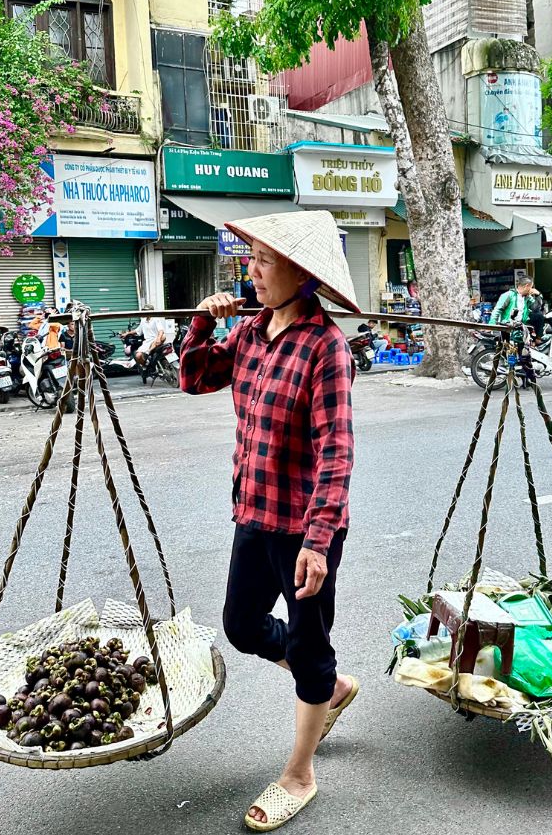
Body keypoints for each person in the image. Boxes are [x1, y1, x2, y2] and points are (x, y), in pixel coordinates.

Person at [180, 210, 360, 833]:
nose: (249, 271)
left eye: (262, 260)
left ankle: (299, 773)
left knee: (310, 646)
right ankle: (330, 686)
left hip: (307, 527)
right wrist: (204, 319)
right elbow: (196, 376)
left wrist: (318, 542)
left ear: (300, 274)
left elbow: (336, 451)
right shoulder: (252, 333)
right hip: (253, 512)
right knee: (240, 623)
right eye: (249, 257)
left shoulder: (325, 348)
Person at [490, 275, 545, 341]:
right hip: (508, 323)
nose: (531, 289)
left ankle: (537, 339)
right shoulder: (508, 295)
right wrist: (492, 325)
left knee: (539, 316)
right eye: (531, 287)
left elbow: (536, 308)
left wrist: (538, 295)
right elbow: (497, 310)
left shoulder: (528, 298)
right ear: (526, 286)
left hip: (521, 324)